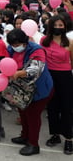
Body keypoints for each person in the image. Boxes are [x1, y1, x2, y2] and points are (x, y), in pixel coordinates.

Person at [7, 28, 53, 156]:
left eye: (17, 45)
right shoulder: (10, 49)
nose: (15, 48)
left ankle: (33, 144)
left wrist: (21, 72)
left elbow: (36, 68)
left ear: (25, 42)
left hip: (39, 88)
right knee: (23, 111)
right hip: (21, 88)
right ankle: (25, 136)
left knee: (32, 115)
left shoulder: (36, 49)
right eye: (13, 45)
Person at [40, 15, 73, 155]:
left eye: (61, 25)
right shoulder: (43, 40)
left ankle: (69, 139)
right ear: (50, 26)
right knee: (52, 108)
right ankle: (55, 135)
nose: (58, 28)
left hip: (65, 77)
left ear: (65, 27)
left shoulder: (69, 42)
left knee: (66, 108)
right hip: (49, 76)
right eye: (56, 25)